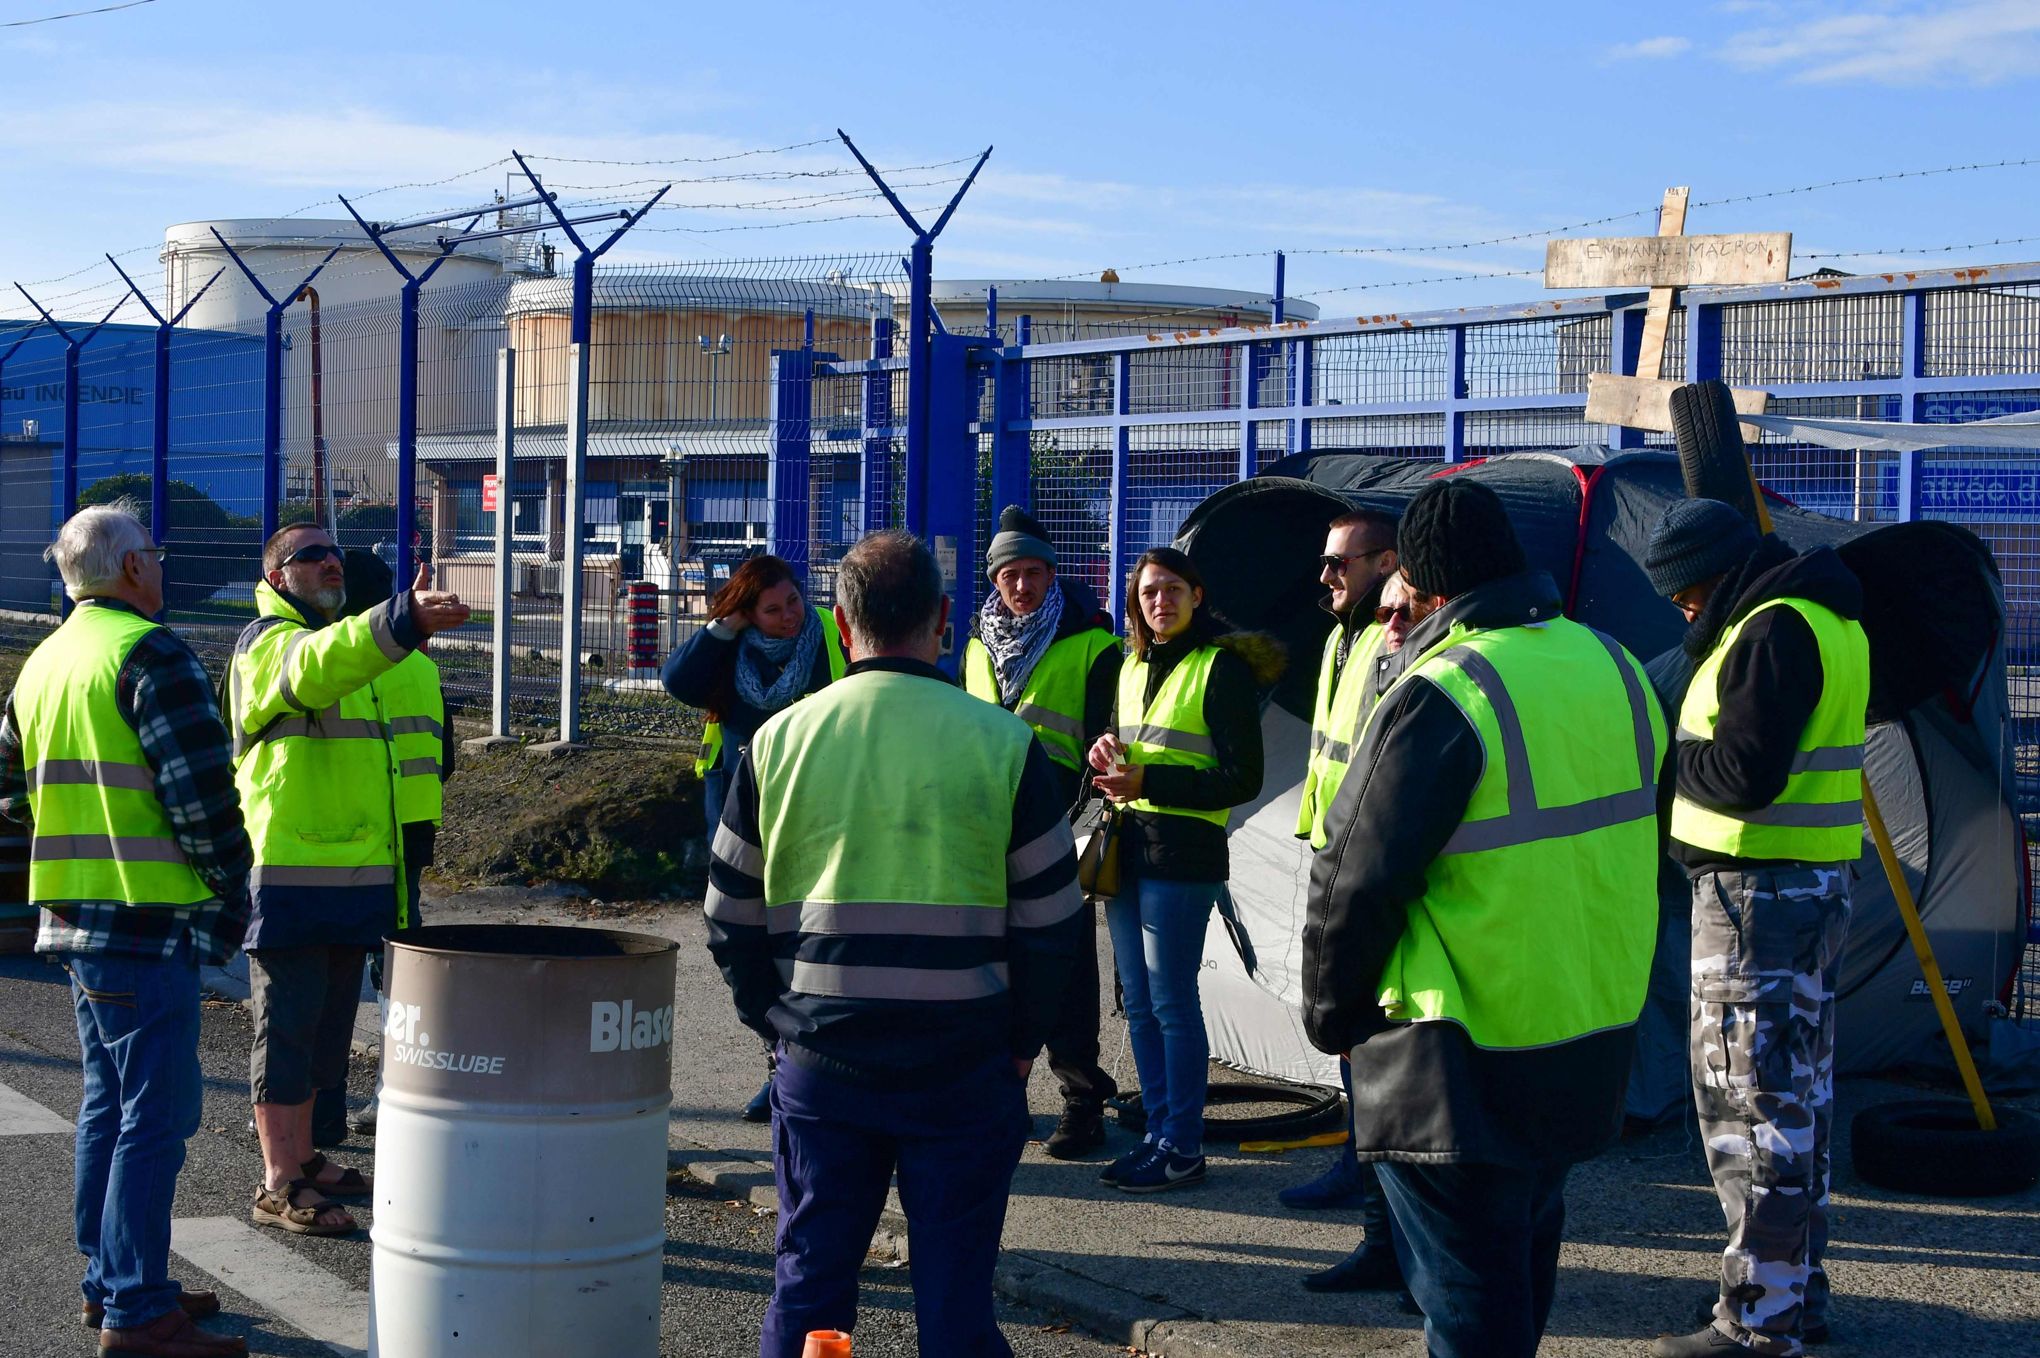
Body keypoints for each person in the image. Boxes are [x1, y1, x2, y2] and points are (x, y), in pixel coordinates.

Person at [1303, 479, 1664, 1358]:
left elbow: (1353, 880)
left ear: (1424, 589)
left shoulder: (1447, 689)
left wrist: (1332, 1017)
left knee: (1469, 1307)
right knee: (1520, 1275)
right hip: (1589, 1028)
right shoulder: (1615, 665)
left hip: (1458, 1050)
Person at [704, 530, 1085, 1358]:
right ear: (946, 620)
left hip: (822, 1060)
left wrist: (775, 1022)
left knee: (811, 1289)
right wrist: (1020, 1044)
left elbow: (727, 912)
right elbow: (1054, 923)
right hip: (964, 1063)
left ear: (841, 627)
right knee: (955, 1299)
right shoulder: (1004, 744)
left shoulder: (778, 742)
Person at [0, 502, 251, 1356]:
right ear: (132, 567)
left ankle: (109, 1282)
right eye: (155, 551)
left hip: (72, 916)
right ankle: (138, 1313)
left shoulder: (46, 661)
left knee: (110, 1107)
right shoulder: (150, 654)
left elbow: (9, 790)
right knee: (157, 1114)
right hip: (146, 921)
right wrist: (231, 888)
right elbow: (204, 801)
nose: (162, 564)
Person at [1643, 500, 1868, 1358]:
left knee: (1748, 1113)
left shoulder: (1769, 630)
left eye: (1687, 597)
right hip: (1807, 890)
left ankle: (1757, 1324)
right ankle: (1797, 1296)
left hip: (1753, 900)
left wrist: (1666, 751)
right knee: (1797, 1104)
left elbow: (1740, 773)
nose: (1684, 615)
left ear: (1711, 577)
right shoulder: (1830, 619)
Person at [228, 523, 468, 1237]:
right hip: (291, 873)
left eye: (333, 552)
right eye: (309, 555)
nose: (329, 560)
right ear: (276, 578)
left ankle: (305, 1158)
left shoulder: (346, 651)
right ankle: (277, 1182)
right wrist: (399, 618)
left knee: (329, 1027)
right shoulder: (268, 644)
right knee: (288, 1027)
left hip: (356, 872)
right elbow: (314, 669)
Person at [1086, 547, 1279, 1193]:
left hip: (1184, 850)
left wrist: (1151, 778)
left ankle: (1183, 1144)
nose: (1159, 602)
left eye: (1172, 590)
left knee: (1170, 1001)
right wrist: (1106, 749)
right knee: (1138, 1002)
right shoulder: (1130, 663)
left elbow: (1240, 777)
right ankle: (1159, 1133)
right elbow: (1128, 737)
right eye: (1148, 593)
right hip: (1129, 842)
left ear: (1197, 595)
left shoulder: (1220, 668)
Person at [962, 504, 1122, 1159]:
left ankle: (1083, 1104)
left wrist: (1078, 827)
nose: (1021, 587)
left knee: (1068, 970)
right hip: (985, 833)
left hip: (1060, 829)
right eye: (1009, 576)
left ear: (1053, 576)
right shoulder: (975, 647)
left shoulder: (1093, 645)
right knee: (993, 970)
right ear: (995, 582)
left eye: (1033, 573)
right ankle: (1004, 1103)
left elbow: (1107, 743)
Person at [664, 554, 846, 1124]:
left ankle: (809, 1067)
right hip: (744, 820)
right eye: (771, 609)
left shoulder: (828, 638)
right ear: (748, 614)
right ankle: (778, 1063)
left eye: (793, 601)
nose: (790, 615)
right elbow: (676, 680)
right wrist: (723, 627)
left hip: (817, 813)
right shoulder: (729, 654)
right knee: (749, 947)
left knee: (808, 944)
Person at [1289, 539, 1409, 1300]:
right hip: (1333, 846)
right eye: (1324, 560)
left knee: (1374, 1043)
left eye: (1343, 561)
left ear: (1388, 562)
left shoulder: (1390, 640)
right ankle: (1361, 1183)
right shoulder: (1340, 638)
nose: (1327, 573)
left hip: (1365, 857)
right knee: (1352, 1048)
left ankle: (1387, 1221)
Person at [321, 549, 455, 1139]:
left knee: (325, 973)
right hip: (411, 836)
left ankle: (316, 1108)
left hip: (345, 835)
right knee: (398, 975)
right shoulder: (422, 669)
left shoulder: (343, 666)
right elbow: (443, 757)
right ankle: (393, 1092)